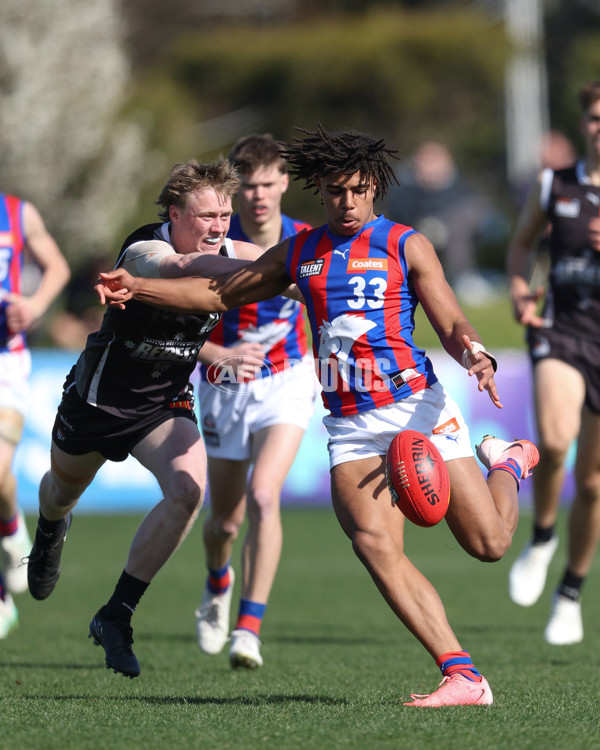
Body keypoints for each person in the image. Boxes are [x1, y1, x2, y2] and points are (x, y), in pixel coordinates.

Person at [97, 124, 539, 706]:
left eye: (357, 190)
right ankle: (463, 675)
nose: (346, 201)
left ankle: (505, 462)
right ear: (320, 192)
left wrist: (475, 353)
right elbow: (216, 295)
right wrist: (138, 288)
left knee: (490, 545)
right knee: (373, 544)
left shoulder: (406, 244)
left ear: (374, 188)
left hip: (417, 408)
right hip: (350, 424)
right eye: (334, 191)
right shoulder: (302, 252)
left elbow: (452, 323)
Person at [25, 158, 277, 678]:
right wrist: (266, 275)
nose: (218, 227)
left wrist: (315, 278)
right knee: (60, 494)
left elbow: (289, 271)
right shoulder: (145, 249)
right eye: (206, 215)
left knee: (188, 491)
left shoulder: (231, 251)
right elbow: (187, 275)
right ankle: (51, 530)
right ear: (174, 213)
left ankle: (116, 614)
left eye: (225, 216)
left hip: (163, 403)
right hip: (98, 402)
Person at [193, 134, 317, 669]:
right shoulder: (213, 241)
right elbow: (176, 323)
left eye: (268, 183)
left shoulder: (309, 243)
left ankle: (249, 628)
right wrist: (219, 352)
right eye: (247, 186)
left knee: (266, 496)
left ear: (285, 183)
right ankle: (218, 582)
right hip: (223, 383)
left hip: (287, 379)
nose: (258, 195)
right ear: (234, 188)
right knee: (224, 521)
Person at [506, 80, 600, 645]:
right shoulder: (554, 184)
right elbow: (521, 246)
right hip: (561, 332)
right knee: (557, 442)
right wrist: (521, 289)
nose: (599, 127)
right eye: (593, 116)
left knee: (592, 485)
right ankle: (541, 537)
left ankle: (570, 592)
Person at [0, 193, 70, 638]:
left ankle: (10, 531)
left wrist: (34, 306)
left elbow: (58, 267)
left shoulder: (16, 212)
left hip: (6, 360)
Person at [382, 141, 503, 304]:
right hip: (422, 230)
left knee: (462, 221)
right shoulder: (406, 187)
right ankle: (461, 278)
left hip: (460, 226)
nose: (432, 170)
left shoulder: (459, 183)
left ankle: (465, 277)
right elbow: (400, 212)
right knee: (454, 228)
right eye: (427, 163)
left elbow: (471, 203)